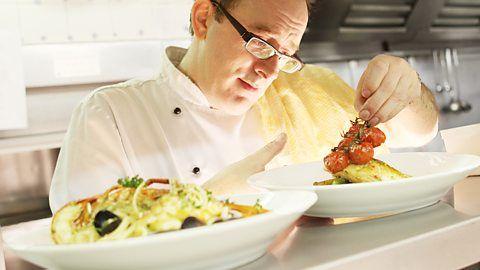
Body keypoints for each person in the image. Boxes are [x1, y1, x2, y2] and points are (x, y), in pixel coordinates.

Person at [49, 0, 438, 212]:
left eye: (286, 54)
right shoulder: (110, 115)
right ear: (204, 18)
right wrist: (207, 204)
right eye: (261, 43)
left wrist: (407, 85)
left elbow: (421, 132)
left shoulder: (306, 90)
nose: (271, 70)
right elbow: (84, 246)